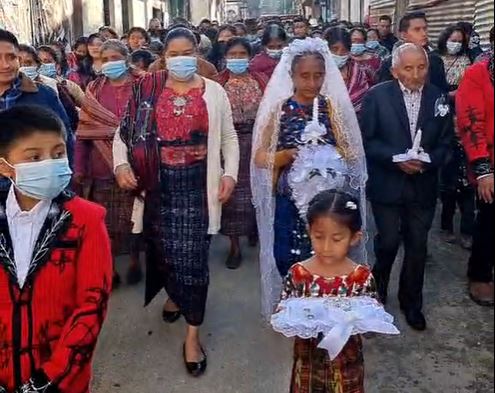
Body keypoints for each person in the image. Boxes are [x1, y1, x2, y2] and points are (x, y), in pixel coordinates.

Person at [113, 27, 239, 376]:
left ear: (198, 54)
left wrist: (229, 174)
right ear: (163, 57)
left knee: (194, 261)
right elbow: (122, 134)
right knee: (164, 251)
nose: (180, 59)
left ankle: (193, 334)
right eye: (173, 53)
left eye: (187, 52)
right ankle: (173, 294)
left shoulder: (213, 92)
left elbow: (228, 137)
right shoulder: (147, 89)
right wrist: (122, 164)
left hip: (198, 187)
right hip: (156, 186)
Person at [252, 37, 367, 318]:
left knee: (325, 251)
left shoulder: (331, 108)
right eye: (305, 76)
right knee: (286, 252)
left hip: (326, 197)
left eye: (318, 76)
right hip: (289, 195)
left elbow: (351, 152)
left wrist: (328, 154)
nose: (312, 83)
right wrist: (286, 156)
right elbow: (260, 156)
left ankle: (320, 303)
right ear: (291, 76)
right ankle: (294, 297)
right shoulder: (280, 110)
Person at [0, 105, 112, 393]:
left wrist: (47, 380)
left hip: (61, 378)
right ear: (5, 165)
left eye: (58, 153)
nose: (49, 163)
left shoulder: (86, 220)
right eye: (34, 157)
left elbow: (91, 304)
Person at [360, 44, 453, 331]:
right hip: (388, 184)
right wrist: (395, 159)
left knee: (417, 246)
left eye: (421, 67)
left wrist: (427, 161)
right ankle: (375, 298)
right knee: (387, 243)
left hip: (422, 186)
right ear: (394, 70)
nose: (415, 74)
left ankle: (412, 303)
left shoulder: (439, 97)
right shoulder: (377, 97)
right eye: (408, 68)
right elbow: (368, 141)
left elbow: (447, 143)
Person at [278, 190, 376, 393]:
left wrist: (360, 319)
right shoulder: (298, 274)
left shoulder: (360, 277)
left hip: (346, 363)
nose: (326, 247)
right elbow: (283, 310)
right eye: (319, 237)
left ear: (355, 237)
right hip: (307, 361)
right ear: (309, 231)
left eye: (337, 239)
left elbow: (371, 322)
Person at [75, 40, 141, 287]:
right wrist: (80, 168)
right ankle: (110, 268)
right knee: (107, 224)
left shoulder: (142, 85)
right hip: (101, 165)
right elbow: (83, 133)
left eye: (116, 57)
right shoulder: (94, 88)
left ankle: (135, 261)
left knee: (135, 220)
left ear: (126, 58)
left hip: (137, 164)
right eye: (105, 59)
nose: (110, 63)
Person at [216, 38, 267, 269]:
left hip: (256, 143)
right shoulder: (217, 83)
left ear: (250, 56)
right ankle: (234, 246)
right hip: (228, 144)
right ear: (226, 57)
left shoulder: (261, 80)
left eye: (242, 54)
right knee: (231, 196)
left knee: (257, 191)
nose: (237, 58)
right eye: (232, 54)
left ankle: (255, 230)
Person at [0, 29, 73, 174]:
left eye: (11, 57)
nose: (5, 65)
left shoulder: (44, 95)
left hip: (35, 185)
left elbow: (66, 140)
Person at [456, 46, 494, 307]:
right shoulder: (477, 74)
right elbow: (471, 123)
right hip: (489, 162)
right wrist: (484, 171)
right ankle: (480, 273)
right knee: (490, 221)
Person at [435, 25, 475, 248]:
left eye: (460, 40)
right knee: (449, 180)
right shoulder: (435, 60)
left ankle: (468, 230)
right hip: (444, 116)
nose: (456, 43)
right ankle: (447, 225)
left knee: (470, 181)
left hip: (467, 115)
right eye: (453, 39)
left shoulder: (470, 59)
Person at [378, 12, 449, 93]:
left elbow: (441, 93)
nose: (424, 33)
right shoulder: (391, 63)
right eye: (417, 29)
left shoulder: (435, 60)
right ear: (404, 35)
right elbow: (383, 95)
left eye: (425, 28)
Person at [325, 27, 375, 113]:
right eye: (334, 49)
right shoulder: (317, 71)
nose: (339, 54)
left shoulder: (357, 72)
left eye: (344, 50)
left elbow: (362, 100)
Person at [148, 26, 218, 79]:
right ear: (165, 53)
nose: (180, 59)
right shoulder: (155, 69)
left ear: (196, 51)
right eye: (174, 55)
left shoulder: (207, 69)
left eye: (186, 54)